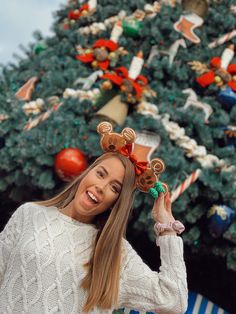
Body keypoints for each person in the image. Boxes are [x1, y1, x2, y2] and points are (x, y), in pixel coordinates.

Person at [0, 122, 188, 314]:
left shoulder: (115, 252)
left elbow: (174, 301)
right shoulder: (30, 214)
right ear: (87, 172)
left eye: (114, 188)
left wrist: (168, 229)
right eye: (100, 174)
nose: (101, 187)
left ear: (116, 202)